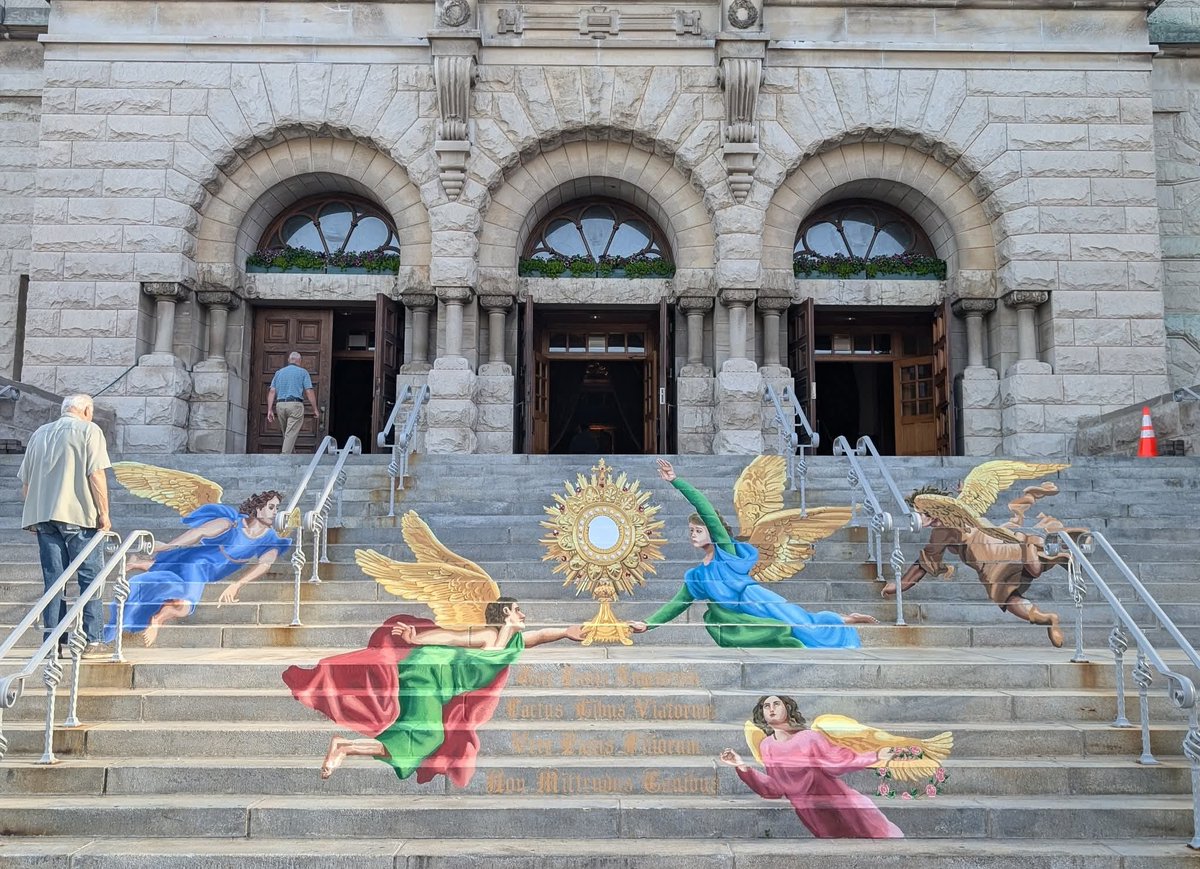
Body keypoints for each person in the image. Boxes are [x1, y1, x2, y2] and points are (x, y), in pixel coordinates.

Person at [284, 598, 585, 784]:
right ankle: (345, 747)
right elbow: (452, 637)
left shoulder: (510, 645)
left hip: (437, 684)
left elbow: (540, 636)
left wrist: (566, 632)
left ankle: (345, 746)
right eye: (519, 611)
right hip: (426, 675)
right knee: (429, 736)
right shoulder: (488, 635)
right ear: (506, 612)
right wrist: (418, 639)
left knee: (422, 737)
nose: (524, 615)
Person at [628, 459, 873, 649]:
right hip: (742, 617)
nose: (693, 534)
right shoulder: (696, 577)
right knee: (788, 629)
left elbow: (705, 509)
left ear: (713, 532)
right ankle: (842, 619)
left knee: (801, 624)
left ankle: (844, 621)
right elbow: (676, 605)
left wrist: (676, 481)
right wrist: (647, 624)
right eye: (691, 530)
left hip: (756, 598)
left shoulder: (727, 552)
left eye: (698, 530)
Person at [883, 485, 1065, 648]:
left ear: (933, 511)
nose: (918, 518)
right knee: (1034, 570)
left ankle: (1048, 618)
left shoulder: (942, 531)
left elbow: (923, 564)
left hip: (990, 560)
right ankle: (1036, 548)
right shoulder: (960, 509)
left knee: (1008, 598)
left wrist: (898, 585)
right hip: (1005, 540)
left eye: (921, 513)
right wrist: (963, 491)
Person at [103, 490, 289, 646]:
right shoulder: (232, 522)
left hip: (212, 572)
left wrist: (236, 585)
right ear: (258, 508)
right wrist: (169, 545)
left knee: (171, 576)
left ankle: (137, 562)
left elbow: (265, 564)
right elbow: (198, 532)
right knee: (185, 605)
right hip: (198, 563)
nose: (275, 512)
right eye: (271, 507)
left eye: (277, 508)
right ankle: (157, 619)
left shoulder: (270, 539)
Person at [719, 695, 904, 838]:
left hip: (839, 804)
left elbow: (837, 761)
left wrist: (875, 756)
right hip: (812, 815)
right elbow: (775, 788)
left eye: (777, 704)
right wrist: (741, 766)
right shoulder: (767, 746)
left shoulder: (809, 737)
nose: (771, 709)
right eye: (766, 706)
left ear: (788, 709)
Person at [19, 394, 113, 659]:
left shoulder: (39, 433)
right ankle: (92, 640)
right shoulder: (89, 430)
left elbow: (26, 485)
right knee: (90, 577)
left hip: (43, 517)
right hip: (78, 515)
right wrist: (104, 513)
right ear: (85, 411)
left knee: (54, 580)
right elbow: (96, 473)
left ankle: (52, 641)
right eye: (91, 413)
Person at [266, 351, 319, 454]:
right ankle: (284, 458)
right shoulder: (303, 372)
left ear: (289, 360)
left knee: (287, 433)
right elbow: (309, 391)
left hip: (280, 405)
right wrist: (315, 409)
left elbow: (272, 391)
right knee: (290, 433)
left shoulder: (279, 372)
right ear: (299, 361)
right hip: (295, 405)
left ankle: (292, 456)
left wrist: (269, 410)